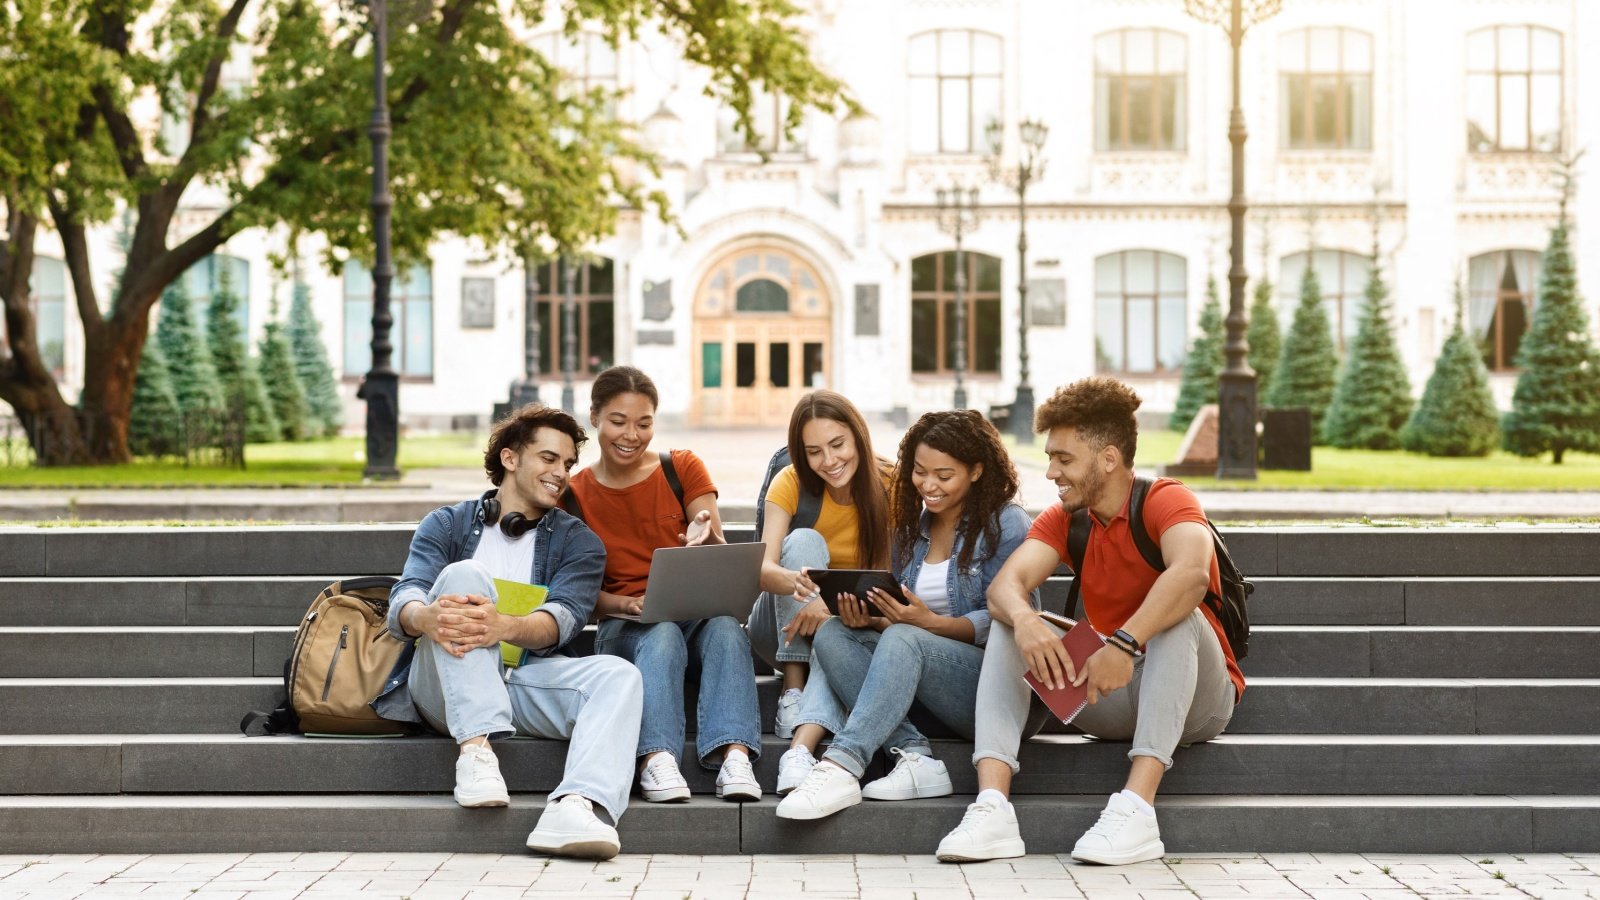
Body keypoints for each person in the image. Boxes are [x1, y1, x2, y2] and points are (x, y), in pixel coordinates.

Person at [936, 377, 1244, 866]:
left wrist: (1123, 644)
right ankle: (992, 808)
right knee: (1010, 622)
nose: (1052, 472)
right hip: (1109, 692)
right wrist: (1027, 619)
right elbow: (1003, 588)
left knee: (1177, 616)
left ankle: (1137, 810)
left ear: (1108, 458)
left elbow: (1189, 574)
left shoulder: (1167, 499)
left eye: (1064, 459)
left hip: (1197, 700)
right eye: (1050, 457)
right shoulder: (1066, 517)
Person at [375, 403, 643, 861]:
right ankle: (476, 753)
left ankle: (577, 806)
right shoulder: (448, 523)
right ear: (510, 458)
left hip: (521, 682)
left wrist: (502, 626)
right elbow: (406, 597)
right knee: (464, 577)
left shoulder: (579, 543)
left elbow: (560, 622)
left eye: (567, 464)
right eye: (548, 458)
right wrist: (426, 618)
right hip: (442, 686)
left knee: (620, 676)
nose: (561, 472)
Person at [775, 409, 1034, 820]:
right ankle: (915, 757)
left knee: (903, 637)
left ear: (977, 471)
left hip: (991, 691)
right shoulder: (913, 526)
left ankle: (843, 763)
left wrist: (929, 624)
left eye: (944, 476)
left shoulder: (1006, 523)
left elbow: (1013, 622)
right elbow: (901, 616)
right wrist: (873, 616)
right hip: (919, 686)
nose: (928, 485)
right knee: (833, 634)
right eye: (918, 471)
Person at [567, 366, 763, 804]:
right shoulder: (575, 495)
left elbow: (718, 550)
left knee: (727, 628)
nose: (631, 435)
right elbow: (576, 595)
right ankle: (655, 758)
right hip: (626, 630)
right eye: (618, 421)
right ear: (595, 416)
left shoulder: (682, 467)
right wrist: (624, 603)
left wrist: (705, 534)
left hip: (694, 621)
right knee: (661, 632)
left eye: (644, 423)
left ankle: (735, 755)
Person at [747, 390, 891, 794]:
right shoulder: (790, 480)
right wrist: (807, 592)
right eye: (813, 451)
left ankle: (799, 753)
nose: (828, 461)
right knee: (804, 541)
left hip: (852, 624)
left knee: (835, 635)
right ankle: (793, 688)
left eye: (837, 445)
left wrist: (829, 614)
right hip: (778, 626)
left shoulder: (891, 485)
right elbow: (763, 567)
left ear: (858, 437)